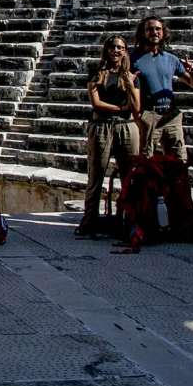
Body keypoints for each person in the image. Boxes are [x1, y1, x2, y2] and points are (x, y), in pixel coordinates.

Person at [76, 34, 140, 238]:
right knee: (96, 174)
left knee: (129, 176)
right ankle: (89, 221)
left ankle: (130, 221)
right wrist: (121, 107)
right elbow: (96, 103)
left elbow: (137, 107)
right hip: (101, 126)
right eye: (112, 47)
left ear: (125, 51)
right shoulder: (96, 73)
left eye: (120, 47)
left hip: (126, 127)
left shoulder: (132, 75)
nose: (116, 50)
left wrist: (129, 84)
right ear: (106, 50)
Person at [131, 15, 193, 159]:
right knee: (146, 160)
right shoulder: (133, 59)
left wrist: (192, 71)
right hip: (148, 115)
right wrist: (138, 117)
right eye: (150, 29)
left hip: (171, 116)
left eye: (158, 29)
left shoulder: (171, 59)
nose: (154, 32)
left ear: (163, 32)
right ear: (143, 33)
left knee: (178, 160)